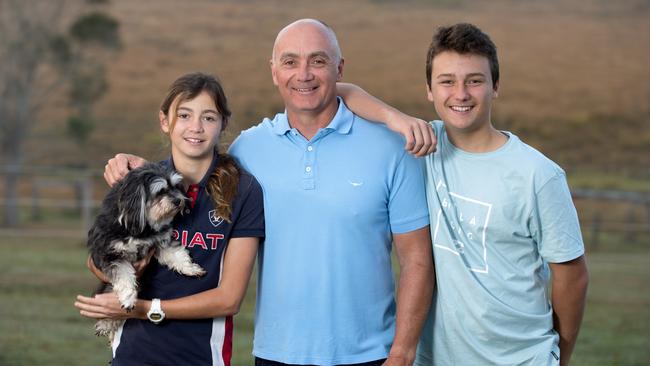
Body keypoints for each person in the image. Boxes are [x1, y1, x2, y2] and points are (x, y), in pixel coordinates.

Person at [103, 19, 435, 366]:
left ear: (339, 68)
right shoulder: (249, 150)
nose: (303, 74)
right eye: (290, 62)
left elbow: (417, 260)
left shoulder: (392, 149)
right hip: (276, 354)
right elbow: (187, 175)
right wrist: (137, 167)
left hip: (372, 355)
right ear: (274, 70)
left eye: (318, 61)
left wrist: (402, 352)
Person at [337, 23, 590, 366]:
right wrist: (395, 118)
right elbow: (339, 90)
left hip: (521, 358)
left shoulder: (537, 175)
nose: (460, 94)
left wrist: (560, 356)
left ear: (495, 86)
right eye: (446, 81)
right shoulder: (419, 146)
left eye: (474, 80)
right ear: (429, 89)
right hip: (434, 358)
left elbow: (572, 275)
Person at [74, 72, 265, 366]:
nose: (196, 128)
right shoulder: (139, 183)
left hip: (200, 357)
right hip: (131, 355)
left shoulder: (243, 191)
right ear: (165, 121)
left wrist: (146, 308)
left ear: (223, 124)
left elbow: (229, 299)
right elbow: (99, 255)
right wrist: (121, 270)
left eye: (209, 118)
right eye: (185, 115)